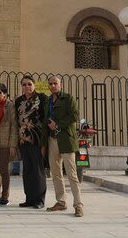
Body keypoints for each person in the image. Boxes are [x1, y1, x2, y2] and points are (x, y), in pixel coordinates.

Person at [43, 75, 83, 217]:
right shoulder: (47, 101)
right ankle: (61, 201)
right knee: (56, 173)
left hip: (66, 139)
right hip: (52, 140)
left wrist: (57, 124)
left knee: (72, 174)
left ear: (61, 84)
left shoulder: (68, 98)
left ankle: (78, 205)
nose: (53, 85)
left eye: (55, 83)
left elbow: (74, 115)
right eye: (51, 83)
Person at [15, 74, 48, 209]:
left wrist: (44, 143)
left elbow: (46, 120)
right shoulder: (18, 101)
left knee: (38, 170)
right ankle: (29, 198)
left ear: (34, 85)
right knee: (27, 170)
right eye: (24, 84)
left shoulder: (42, 98)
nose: (27, 86)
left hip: (37, 140)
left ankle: (39, 200)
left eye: (29, 84)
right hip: (23, 141)